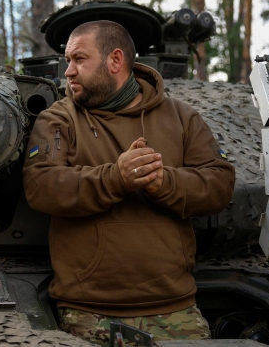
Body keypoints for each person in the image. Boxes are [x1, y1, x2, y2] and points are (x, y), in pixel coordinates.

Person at [23, 20, 235, 344]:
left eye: (79, 59)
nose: (68, 71)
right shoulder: (58, 118)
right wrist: (115, 178)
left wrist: (163, 182)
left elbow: (219, 183)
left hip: (175, 311)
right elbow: (41, 185)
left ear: (116, 61)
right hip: (88, 314)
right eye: (67, 61)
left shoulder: (182, 117)